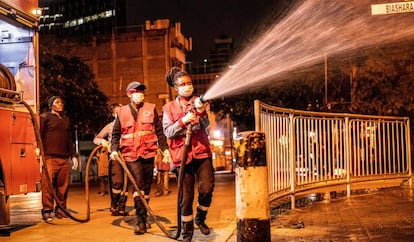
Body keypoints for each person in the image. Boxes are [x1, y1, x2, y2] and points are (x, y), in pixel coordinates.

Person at [110, 81, 171, 235]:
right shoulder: (122, 112)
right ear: (130, 94)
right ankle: (141, 221)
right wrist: (114, 149)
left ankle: (143, 215)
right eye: (137, 92)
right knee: (138, 186)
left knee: (146, 188)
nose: (140, 95)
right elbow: (116, 134)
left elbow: (159, 131)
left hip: (149, 153)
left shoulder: (150, 109)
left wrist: (165, 149)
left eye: (142, 92)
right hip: (131, 155)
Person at [163, 67, 215, 242]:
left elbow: (205, 123)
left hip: (202, 153)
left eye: (189, 83)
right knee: (186, 199)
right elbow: (168, 132)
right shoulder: (168, 108)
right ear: (176, 88)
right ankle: (187, 233)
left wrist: (199, 111)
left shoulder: (199, 102)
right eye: (183, 84)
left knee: (206, 189)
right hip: (181, 157)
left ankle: (201, 218)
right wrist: (182, 122)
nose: (187, 86)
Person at [40, 96, 79, 222]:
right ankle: (47, 210)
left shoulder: (65, 120)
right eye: (57, 102)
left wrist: (73, 156)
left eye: (61, 102)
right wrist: (40, 154)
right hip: (49, 157)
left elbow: (69, 139)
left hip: (64, 158)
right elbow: (39, 135)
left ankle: (61, 209)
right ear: (51, 105)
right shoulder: (45, 117)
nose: (60, 104)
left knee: (63, 185)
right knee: (47, 185)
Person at [93, 103, 129, 216]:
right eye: (118, 112)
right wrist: (103, 142)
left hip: (128, 155)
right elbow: (96, 138)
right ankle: (114, 204)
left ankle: (122, 207)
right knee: (117, 182)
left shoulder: (129, 124)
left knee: (127, 183)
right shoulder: (110, 126)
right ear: (113, 114)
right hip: (115, 156)